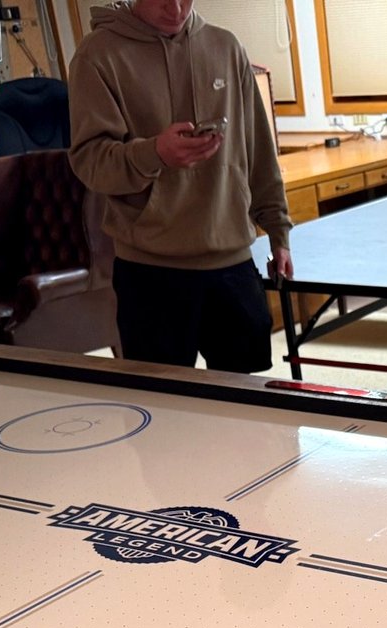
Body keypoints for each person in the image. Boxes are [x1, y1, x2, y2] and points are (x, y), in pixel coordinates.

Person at [68, 0, 293, 372]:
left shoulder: (226, 47)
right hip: (150, 270)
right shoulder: (97, 56)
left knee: (247, 409)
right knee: (164, 411)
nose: (175, 8)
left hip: (231, 262)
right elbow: (91, 164)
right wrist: (154, 153)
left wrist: (278, 231)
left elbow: (258, 150)